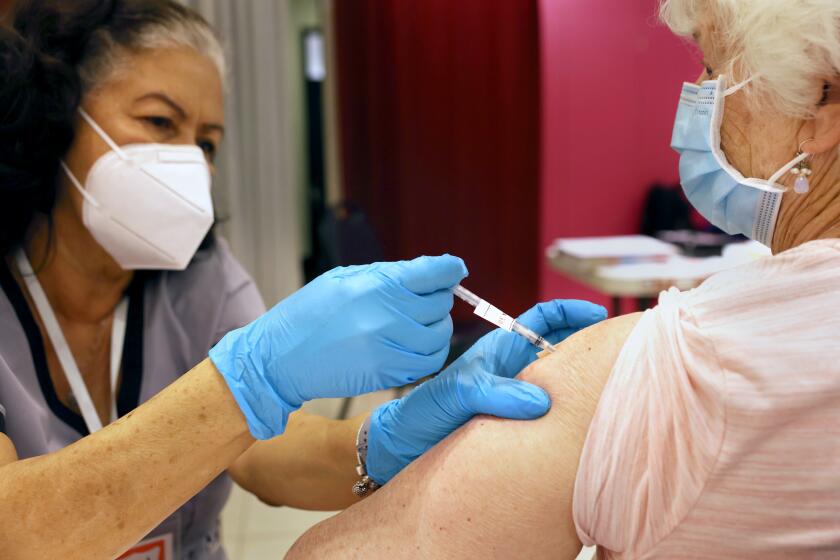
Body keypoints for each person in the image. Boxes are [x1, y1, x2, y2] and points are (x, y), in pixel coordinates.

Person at [0, 1, 609, 558]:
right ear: (55, 119)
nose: (189, 164)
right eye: (161, 122)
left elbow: (267, 453)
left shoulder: (197, 277)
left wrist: (390, 439)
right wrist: (251, 379)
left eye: (207, 144)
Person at [287, 0, 840, 558]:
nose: (698, 91)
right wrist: (367, 444)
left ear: (817, 105)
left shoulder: (677, 369)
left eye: (715, 69)